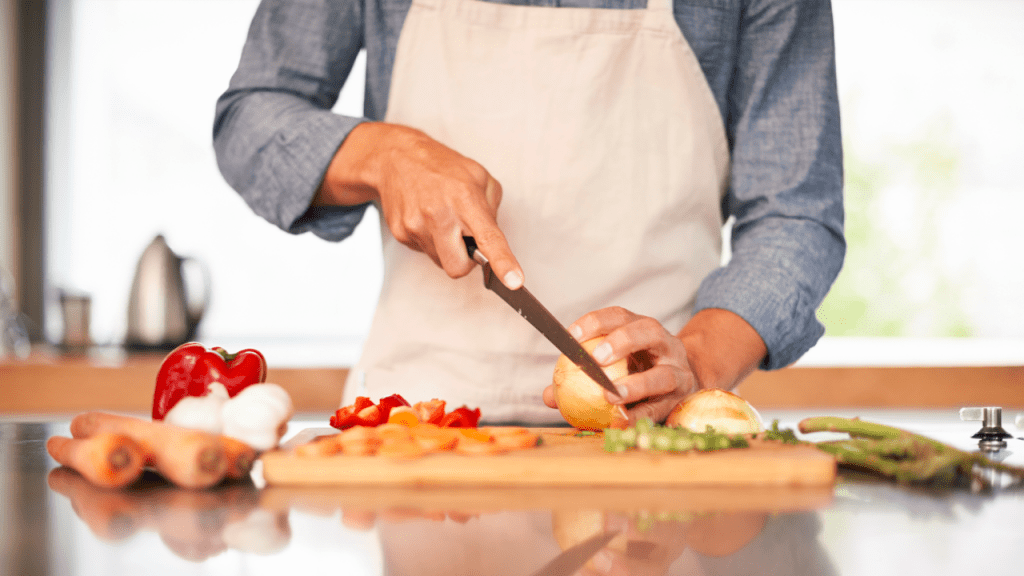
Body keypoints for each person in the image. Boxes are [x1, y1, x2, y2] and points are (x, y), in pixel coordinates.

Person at [213, 0, 845, 425]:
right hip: (415, 430)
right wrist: (382, 154)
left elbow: (796, 212)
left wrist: (697, 361)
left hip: (653, 434)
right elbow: (251, 120)